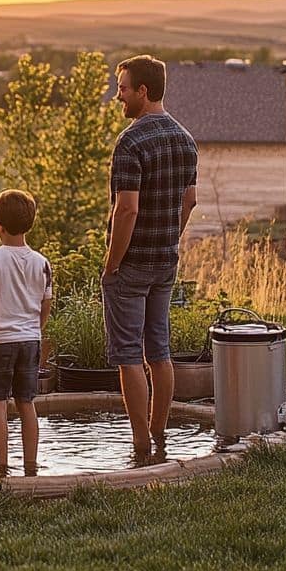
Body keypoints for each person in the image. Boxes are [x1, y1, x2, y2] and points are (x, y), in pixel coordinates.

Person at [102, 55, 198, 456]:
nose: (117, 96)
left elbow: (127, 209)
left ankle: (140, 443)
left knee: (128, 355)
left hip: (132, 263)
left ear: (143, 91)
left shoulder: (130, 142)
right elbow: (190, 201)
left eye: (123, 88)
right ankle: (159, 434)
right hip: (166, 261)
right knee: (159, 351)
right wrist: (169, 238)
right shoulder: (186, 139)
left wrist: (112, 264)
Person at [0, 189, 52, 476]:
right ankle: (31, 465)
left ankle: (2, 466)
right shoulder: (42, 263)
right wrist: (36, 329)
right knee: (27, 403)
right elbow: (46, 303)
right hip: (29, 341)